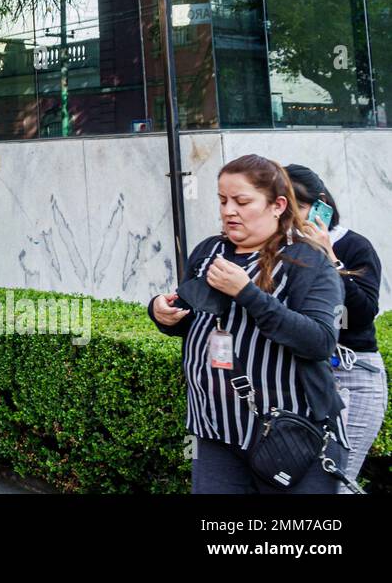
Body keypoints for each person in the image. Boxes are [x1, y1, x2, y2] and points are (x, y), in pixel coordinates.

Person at [149, 154, 349, 493]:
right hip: (214, 429)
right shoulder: (208, 252)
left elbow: (319, 341)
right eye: (223, 200)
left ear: (277, 205)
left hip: (291, 434)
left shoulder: (308, 261)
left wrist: (247, 293)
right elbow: (193, 318)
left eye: (242, 201)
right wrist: (161, 313)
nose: (229, 211)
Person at [285, 163, 387, 494]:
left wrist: (329, 257)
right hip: (300, 379)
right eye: (284, 207)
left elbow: (363, 312)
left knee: (336, 484)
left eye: (299, 207)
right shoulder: (281, 251)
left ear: (321, 205)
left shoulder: (354, 246)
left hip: (353, 376)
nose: (293, 218)